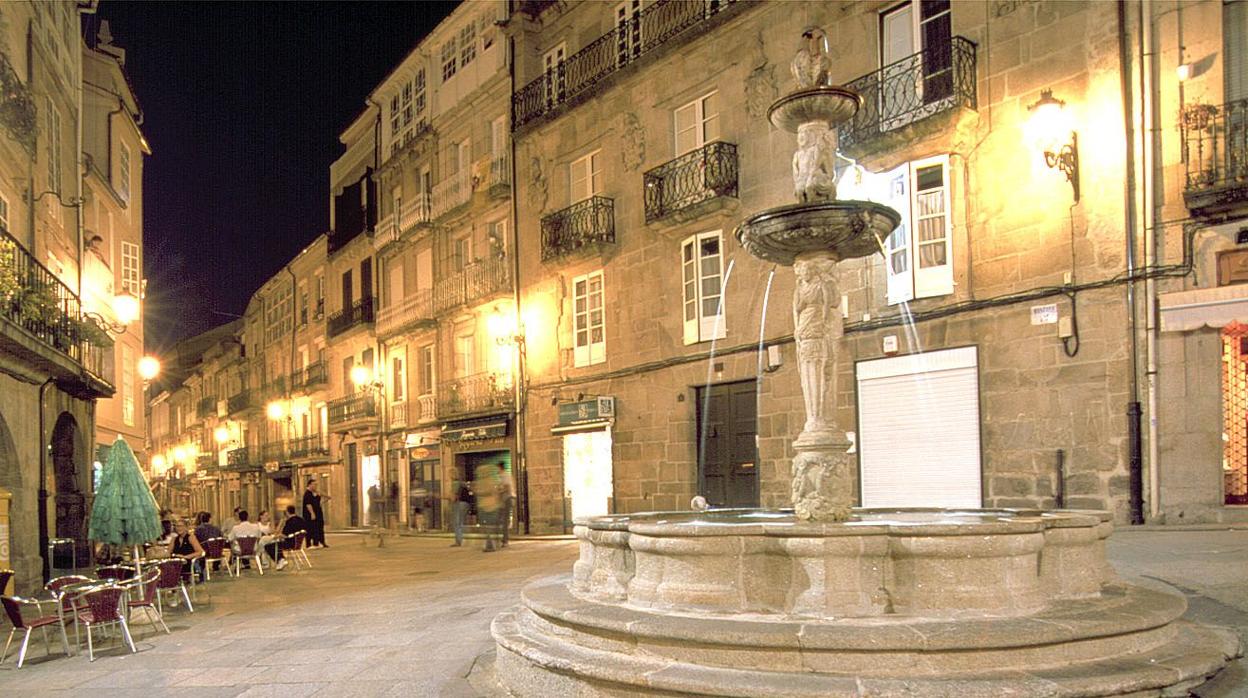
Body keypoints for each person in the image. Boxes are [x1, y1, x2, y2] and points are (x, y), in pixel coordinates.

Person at [474, 463, 501, 552]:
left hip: (488, 506)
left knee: (488, 527)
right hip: (488, 506)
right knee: (489, 527)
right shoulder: (489, 481)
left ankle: (490, 545)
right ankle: (490, 544)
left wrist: (478, 492)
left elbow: (489, 492)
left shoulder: (488, 481)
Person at [303, 478, 329, 548]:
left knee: (319, 527)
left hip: (318, 512)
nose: (316, 486)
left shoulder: (316, 492)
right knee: (311, 528)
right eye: (314, 484)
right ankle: (309, 544)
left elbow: (328, 497)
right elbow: (308, 504)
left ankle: (320, 542)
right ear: (310, 485)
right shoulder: (307, 494)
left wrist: (321, 502)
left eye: (316, 485)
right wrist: (312, 513)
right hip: (310, 514)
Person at [497, 462, 515, 548]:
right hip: (504, 500)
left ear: (500, 468)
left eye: (497, 468)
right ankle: (503, 539)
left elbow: (507, 487)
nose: (496, 470)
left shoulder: (505, 476)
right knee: (502, 520)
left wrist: (500, 491)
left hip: (506, 499)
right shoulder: (502, 477)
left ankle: (505, 540)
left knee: (504, 520)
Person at [450, 479, 472, 547]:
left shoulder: (455, 483)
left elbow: (454, 496)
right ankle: (460, 540)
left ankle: (458, 541)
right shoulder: (462, 484)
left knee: (457, 523)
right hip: (466, 504)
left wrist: (451, 500)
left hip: (459, 504)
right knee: (460, 522)